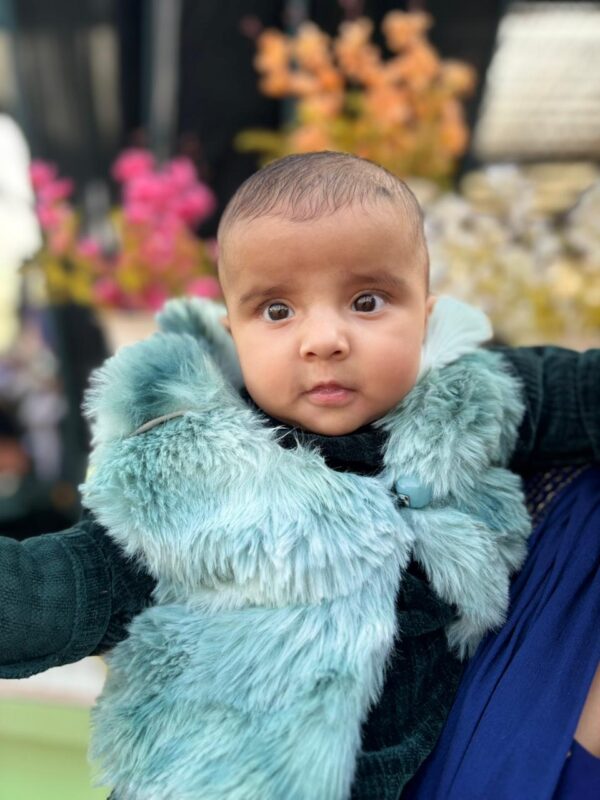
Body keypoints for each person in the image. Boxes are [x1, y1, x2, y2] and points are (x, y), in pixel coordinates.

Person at [0, 152, 598, 800]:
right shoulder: (191, 473)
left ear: (426, 318)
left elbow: (585, 395)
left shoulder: (470, 404)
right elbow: (64, 586)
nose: (324, 339)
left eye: (366, 301)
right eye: (278, 311)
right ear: (235, 336)